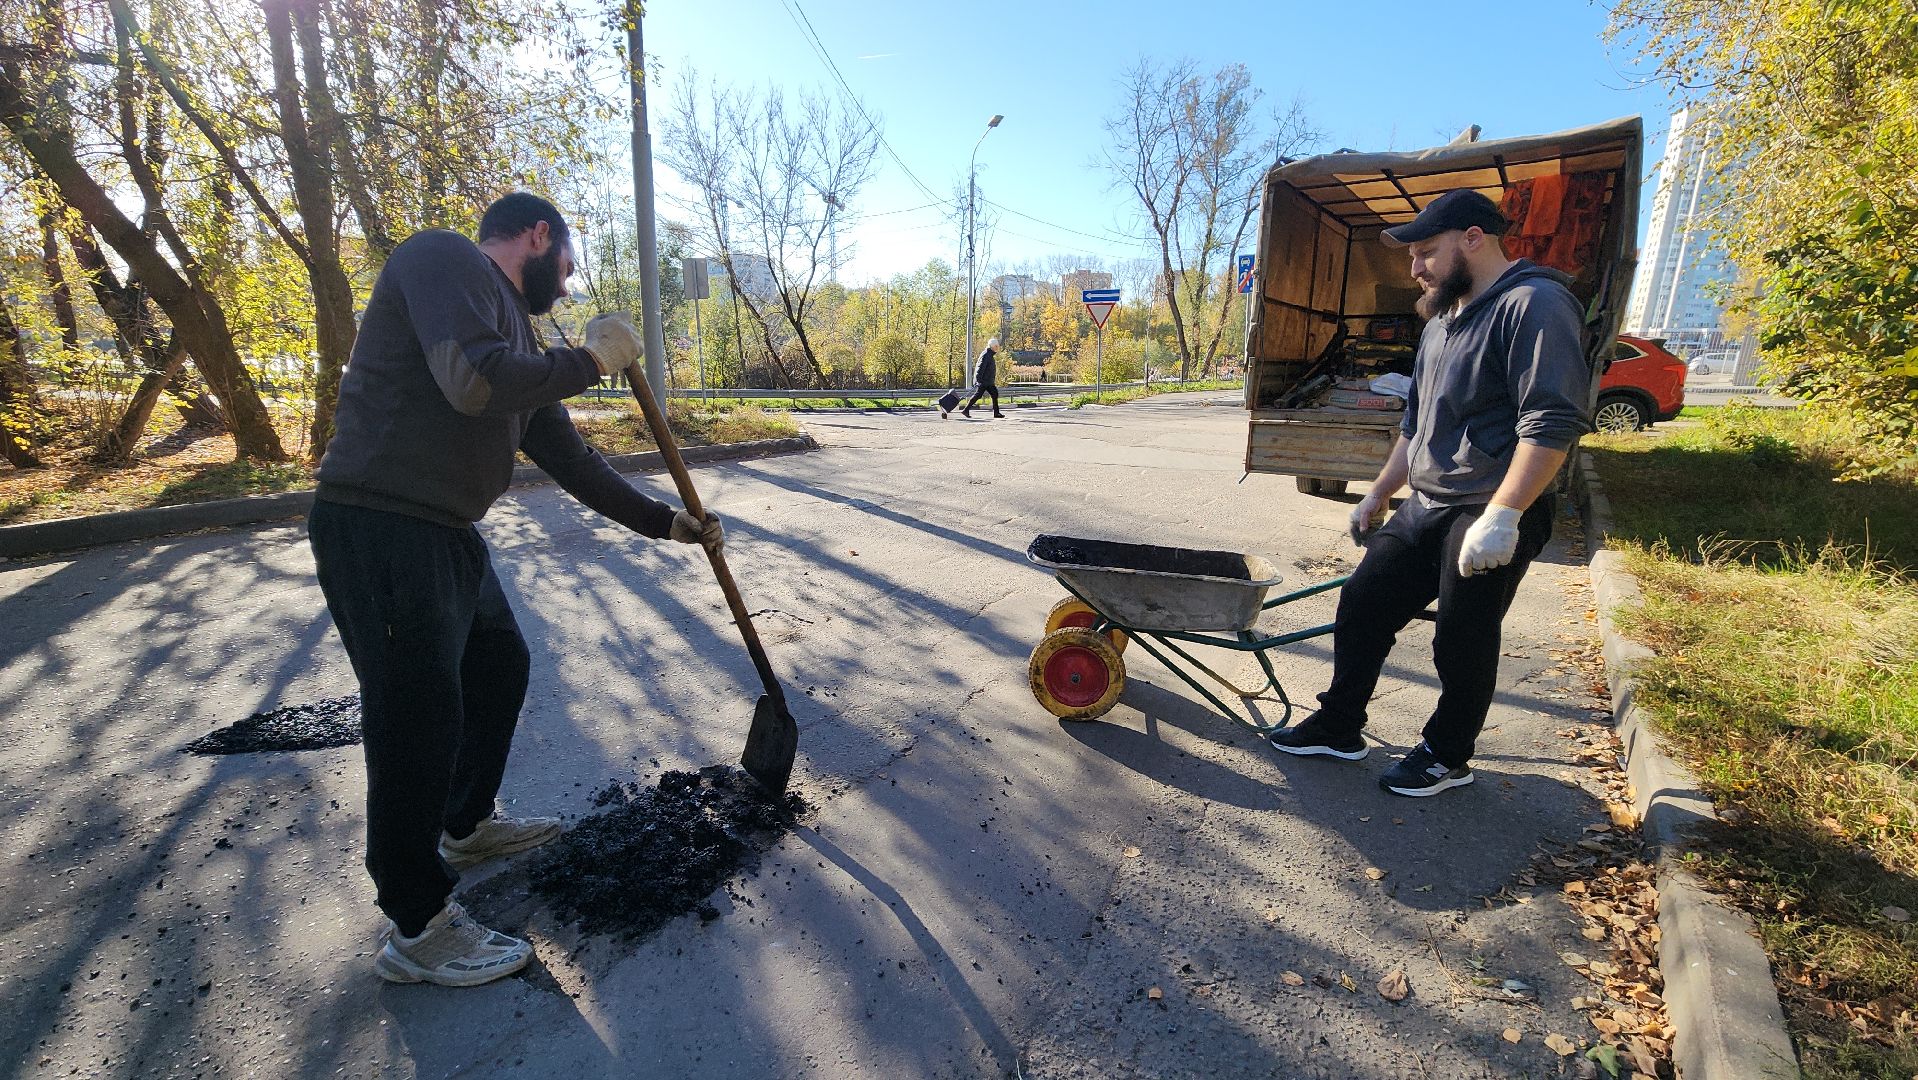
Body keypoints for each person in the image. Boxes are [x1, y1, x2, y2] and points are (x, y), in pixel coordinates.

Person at [308, 192, 724, 985]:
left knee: (499, 665)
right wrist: (594, 361)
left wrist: (665, 523)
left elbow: (569, 458)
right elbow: (471, 382)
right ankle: (418, 930)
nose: (566, 288)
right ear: (538, 235)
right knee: (413, 721)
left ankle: (464, 826)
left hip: (447, 535)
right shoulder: (442, 258)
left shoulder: (514, 335)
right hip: (383, 527)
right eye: (565, 267)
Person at [1265, 189, 1591, 797]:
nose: (1415, 269)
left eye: (1426, 253)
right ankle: (1340, 726)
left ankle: (1448, 754)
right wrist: (1379, 492)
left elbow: (1551, 422)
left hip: (1491, 504)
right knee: (1363, 604)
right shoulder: (1442, 318)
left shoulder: (1534, 305)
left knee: (1462, 635)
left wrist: (1504, 515)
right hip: (1429, 501)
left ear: (1474, 238)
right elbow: (1417, 423)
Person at [960, 337, 1005, 418]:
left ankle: (996, 413)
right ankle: (966, 410)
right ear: (991, 346)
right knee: (978, 395)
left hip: (988, 381)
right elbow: (980, 368)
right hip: (983, 381)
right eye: (996, 346)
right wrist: (978, 380)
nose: (997, 348)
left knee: (994, 394)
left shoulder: (989, 354)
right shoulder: (986, 355)